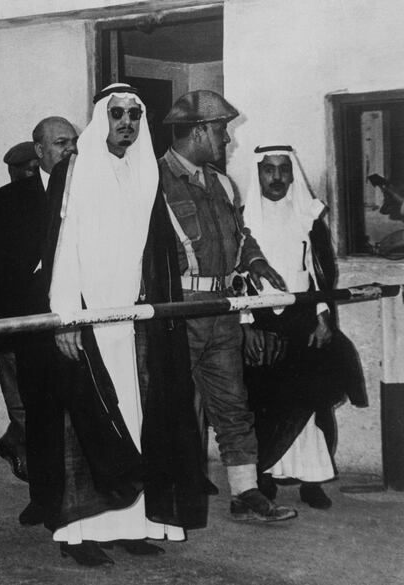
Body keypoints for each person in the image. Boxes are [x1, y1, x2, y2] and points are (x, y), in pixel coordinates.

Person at [44, 84, 207, 566]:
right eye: (118, 114)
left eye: (135, 115)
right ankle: (83, 533)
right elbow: (61, 249)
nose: (127, 123)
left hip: (135, 321)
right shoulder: (75, 170)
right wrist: (65, 319)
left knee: (137, 421)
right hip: (87, 320)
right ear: (102, 119)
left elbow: (154, 253)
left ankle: (132, 524)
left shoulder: (146, 173)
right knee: (90, 425)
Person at [159, 90, 296, 522]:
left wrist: (254, 260)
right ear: (199, 130)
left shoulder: (221, 182)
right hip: (175, 311)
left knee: (234, 407)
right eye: (221, 130)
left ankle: (246, 494)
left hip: (222, 309)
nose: (227, 140)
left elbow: (240, 235)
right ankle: (156, 499)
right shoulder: (151, 180)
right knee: (167, 409)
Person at [241, 144, 367, 509]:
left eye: (283, 169)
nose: (277, 177)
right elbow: (233, 277)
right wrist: (245, 325)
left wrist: (324, 317)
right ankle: (263, 475)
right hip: (259, 320)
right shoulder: (241, 219)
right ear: (258, 173)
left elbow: (322, 273)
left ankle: (312, 481)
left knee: (313, 400)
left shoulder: (309, 217)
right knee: (262, 402)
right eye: (269, 169)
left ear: (292, 173)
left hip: (305, 318)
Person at [0, 118, 77, 526]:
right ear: (39, 150)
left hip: (78, 322)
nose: (70, 150)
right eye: (60, 143)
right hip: (33, 326)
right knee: (39, 415)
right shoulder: (8, 199)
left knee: (79, 415)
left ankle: (81, 502)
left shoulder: (89, 189)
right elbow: (1, 268)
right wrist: (7, 334)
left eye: (73, 142)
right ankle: (45, 499)